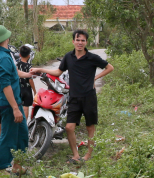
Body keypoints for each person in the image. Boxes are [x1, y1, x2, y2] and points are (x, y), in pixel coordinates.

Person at [32, 29, 114, 163]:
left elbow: (109, 67)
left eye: (83, 40)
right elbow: (58, 72)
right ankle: (75, 155)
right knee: (69, 127)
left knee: (90, 127)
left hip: (89, 97)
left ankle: (88, 155)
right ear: (73, 41)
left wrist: (95, 78)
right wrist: (40, 69)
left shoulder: (92, 58)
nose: (80, 43)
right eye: (78, 40)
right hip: (74, 97)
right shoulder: (68, 57)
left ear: (86, 42)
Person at [0, 26, 29, 173]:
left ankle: (17, 166)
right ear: (5, 38)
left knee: (22, 135)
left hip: (11, 102)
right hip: (9, 104)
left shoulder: (0, 54)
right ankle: (2, 167)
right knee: (8, 137)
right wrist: (15, 108)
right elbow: (5, 85)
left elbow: (12, 76)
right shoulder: (3, 57)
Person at [17, 44, 36, 118]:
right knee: (26, 107)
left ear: (19, 55)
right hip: (27, 89)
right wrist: (34, 91)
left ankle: (19, 122)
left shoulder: (16, 65)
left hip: (18, 88)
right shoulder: (29, 66)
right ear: (29, 56)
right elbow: (30, 80)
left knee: (19, 106)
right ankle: (24, 123)